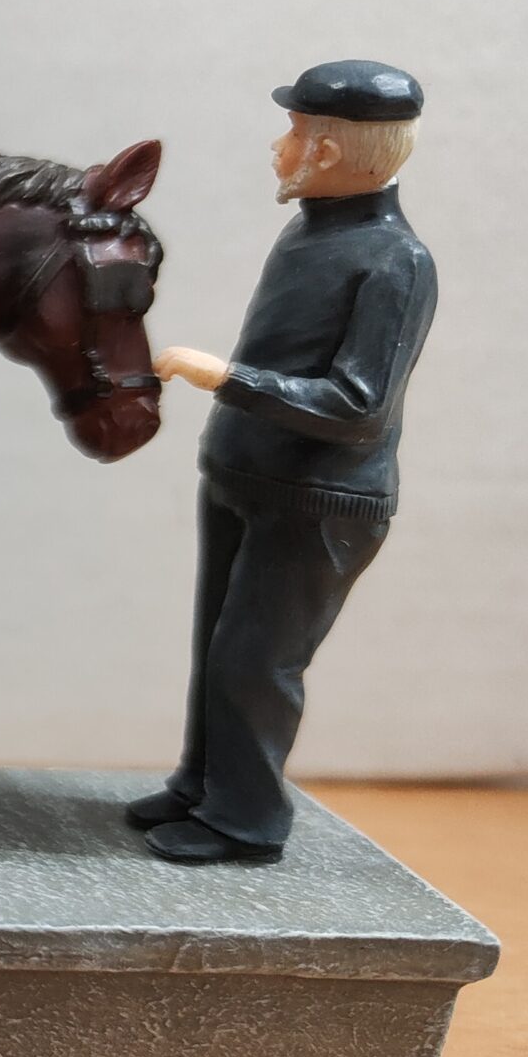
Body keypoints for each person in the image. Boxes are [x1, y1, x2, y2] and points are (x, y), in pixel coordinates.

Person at [132, 60, 438, 864]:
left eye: (295, 134)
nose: (280, 148)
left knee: (256, 663)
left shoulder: (396, 261)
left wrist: (225, 378)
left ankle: (248, 820)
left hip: (318, 500)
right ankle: (204, 786)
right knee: (218, 650)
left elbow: (357, 406)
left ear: (329, 153)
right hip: (245, 479)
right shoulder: (312, 233)